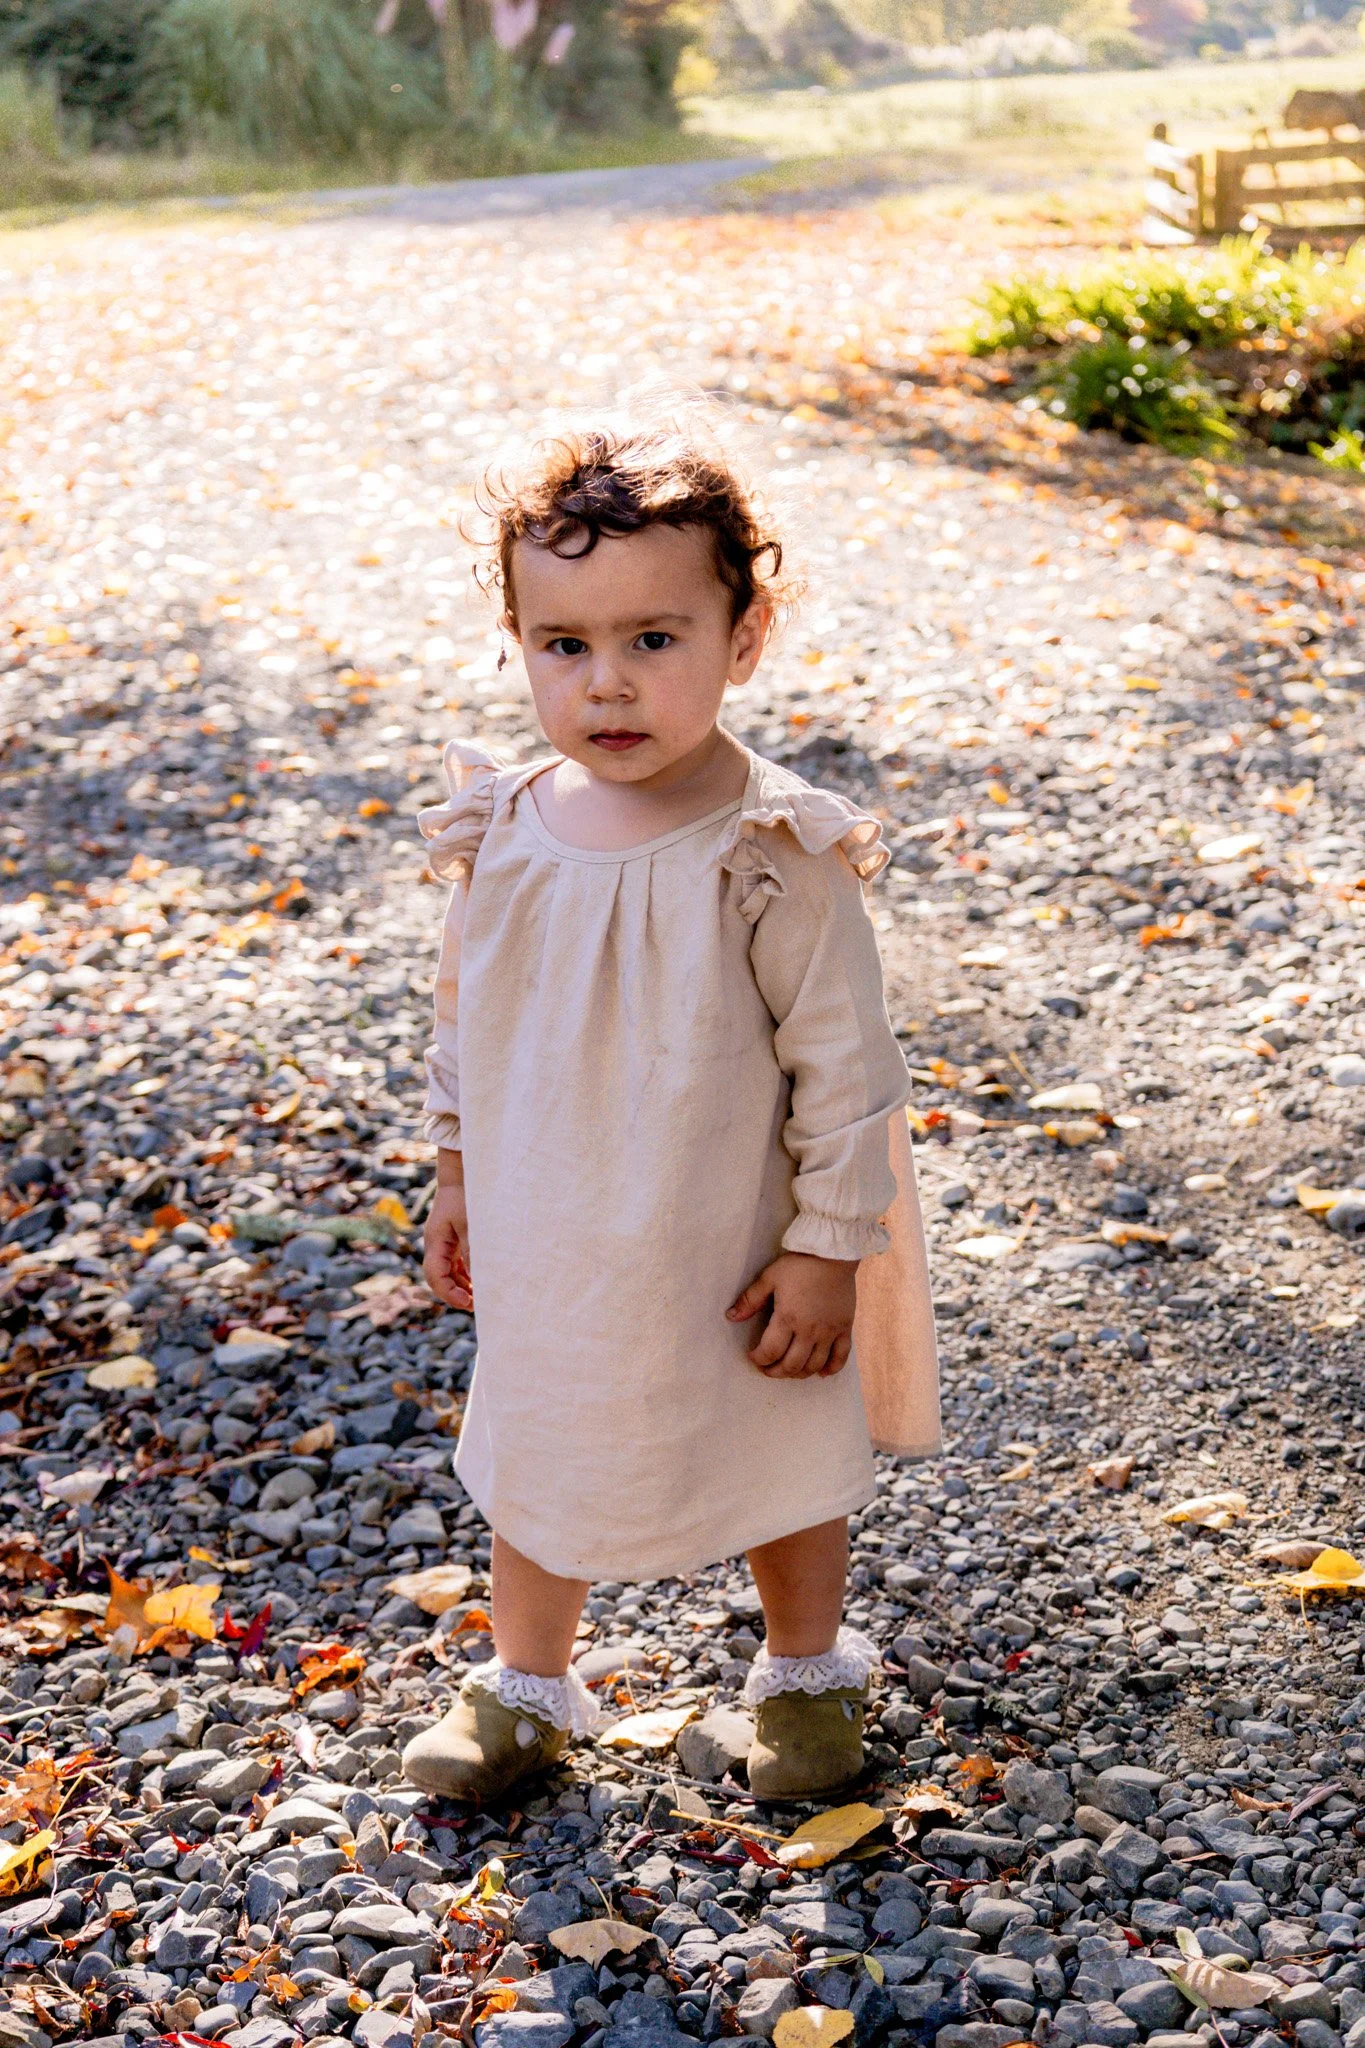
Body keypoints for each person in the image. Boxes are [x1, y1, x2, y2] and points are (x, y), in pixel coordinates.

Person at [402, 404, 940, 1805]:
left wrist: (830, 1244)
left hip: (730, 1235)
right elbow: (470, 1013)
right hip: (555, 1224)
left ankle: (807, 1676)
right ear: (519, 644)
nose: (609, 686)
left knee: (777, 1444)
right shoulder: (508, 827)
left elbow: (847, 1065)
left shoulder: (770, 849)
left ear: (742, 639)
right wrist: (457, 1170)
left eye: (655, 640)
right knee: (545, 1434)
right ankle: (528, 1687)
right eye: (565, 647)